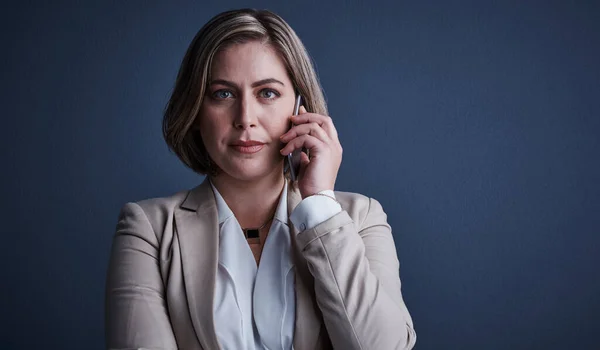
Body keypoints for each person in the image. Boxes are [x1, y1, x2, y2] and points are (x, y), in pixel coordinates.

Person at [105, 8, 416, 350]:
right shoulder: (148, 228)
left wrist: (320, 208)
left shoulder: (361, 218)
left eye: (267, 92)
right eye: (223, 93)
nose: (245, 118)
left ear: (300, 108)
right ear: (195, 110)